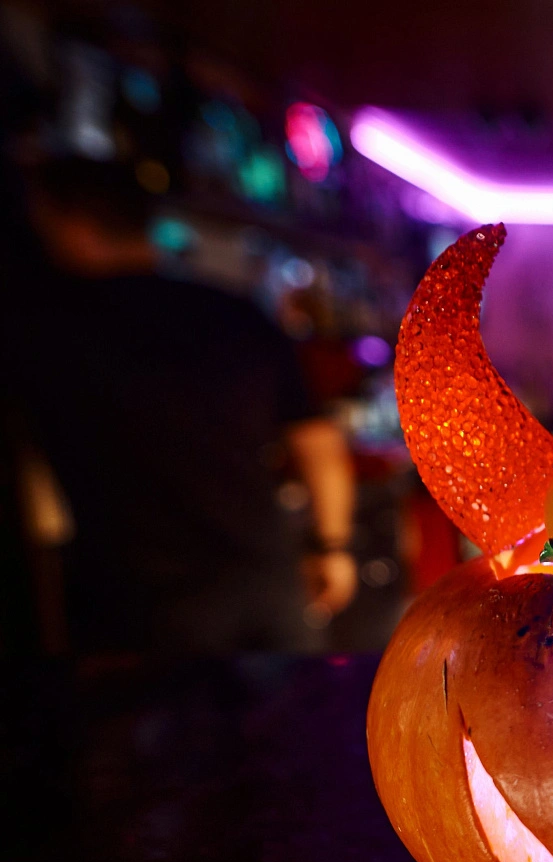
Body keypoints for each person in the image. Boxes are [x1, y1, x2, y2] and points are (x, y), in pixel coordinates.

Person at [9, 157, 355, 653]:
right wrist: (332, 547)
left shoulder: (47, 329)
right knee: (291, 702)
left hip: (144, 604)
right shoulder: (234, 312)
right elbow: (318, 442)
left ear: (72, 223)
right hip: (266, 581)